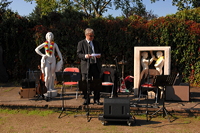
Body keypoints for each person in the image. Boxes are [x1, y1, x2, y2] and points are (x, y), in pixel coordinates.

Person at [77, 28, 102, 105]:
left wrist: (99, 55)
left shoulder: (96, 43)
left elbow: (100, 51)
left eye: (93, 36)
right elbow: (78, 54)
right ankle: (86, 99)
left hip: (95, 65)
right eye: (90, 36)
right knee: (85, 82)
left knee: (96, 82)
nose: (92, 38)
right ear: (86, 35)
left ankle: (96, 99)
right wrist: (85, 56)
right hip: (86, 65)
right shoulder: (81, 43)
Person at [35, 32, 63, 98]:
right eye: (49, 35)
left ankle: (51, 87)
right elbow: (36, 49)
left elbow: (58, 52)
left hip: (53, 60)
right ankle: (46, 87)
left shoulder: (54, 44)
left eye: (51, 35)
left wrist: (61, 59)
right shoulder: (45, 44)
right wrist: (43, 55)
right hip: (47, 60)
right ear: (47, 36)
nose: (50, 36)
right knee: (47, 75)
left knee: (52, 75)